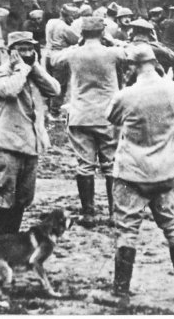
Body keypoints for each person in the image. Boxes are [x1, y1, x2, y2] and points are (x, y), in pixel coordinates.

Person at [105, 43, 174, 303]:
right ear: (154, 63)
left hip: (132, 172)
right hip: (167, 171)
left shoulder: (125, 96)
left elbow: (112, 118)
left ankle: (121, 291)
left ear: (132, 67)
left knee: (127, 230)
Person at [50, 15, 129, 224]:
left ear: (82, 33)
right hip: (108, 116)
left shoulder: (74, 53)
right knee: (111, 164)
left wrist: (77, 43)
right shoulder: (112, 53)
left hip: (81, 115)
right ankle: (115, 213)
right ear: (102, 32)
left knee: (84, 165)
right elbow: (134, 52)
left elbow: (54, 59)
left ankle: (88, 212)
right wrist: (113, 41)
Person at [0, 31, 60, 236]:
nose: (27, 53)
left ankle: (11, 241)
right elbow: (9, 90)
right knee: (4, 196)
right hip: (8, 144)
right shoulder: (0, 73)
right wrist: (21, 68)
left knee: (23, 197)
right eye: (21, 49)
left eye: (30, 49)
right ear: (11, 52)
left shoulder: (32, 73)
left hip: (31, 143)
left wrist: (35, 67)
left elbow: (54, 90)